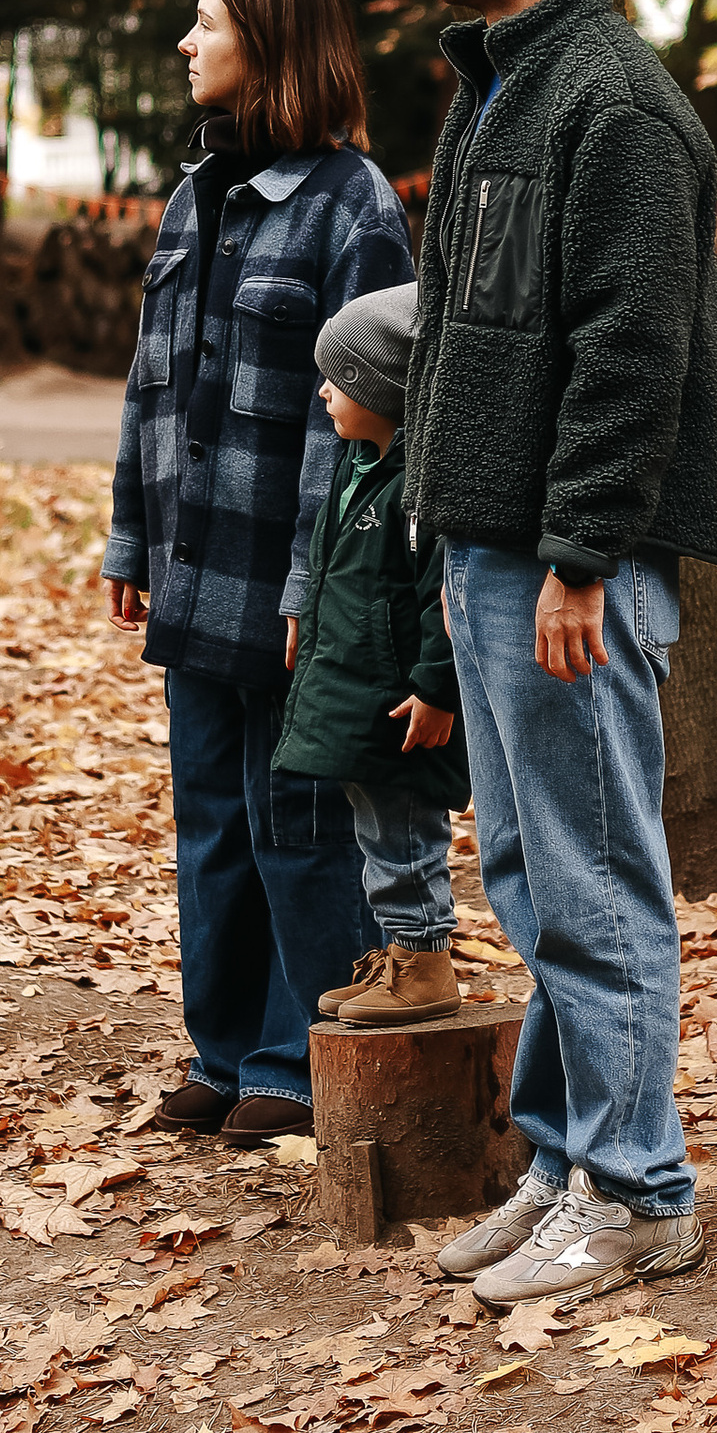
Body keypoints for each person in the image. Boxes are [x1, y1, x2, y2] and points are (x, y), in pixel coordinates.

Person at [403, 0, 717, 1305]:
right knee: (539, 875)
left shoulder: (619, 106)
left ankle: (643, 1193)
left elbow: (633, 352)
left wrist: (581, 555)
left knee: (599, 881)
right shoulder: (491, 93)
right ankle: (565, 1162)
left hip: (571, 569)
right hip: (494, 553)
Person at [105, 0, 412, 1144]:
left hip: (293, 590)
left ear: (270, 45)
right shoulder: (193, 199)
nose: (187, 44)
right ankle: (224, 1052)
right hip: (195, 578)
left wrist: (316, 583)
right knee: (210, 824)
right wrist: (131, 540)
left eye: (205, 24)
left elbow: (363, 427)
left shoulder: (355, 206)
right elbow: (150, 387)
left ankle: (299, 1055)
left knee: (298, 822)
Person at [276, 282, 470, 1028]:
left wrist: (436, 686)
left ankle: (424, 961)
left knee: (403, 829)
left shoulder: (418, 492)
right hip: (362, 692)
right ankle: (396, 952)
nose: (325, 391)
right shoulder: (359, 470)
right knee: (375, 827)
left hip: (399, 700)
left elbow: (440, 598)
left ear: (387, 390)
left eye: (343, 379)